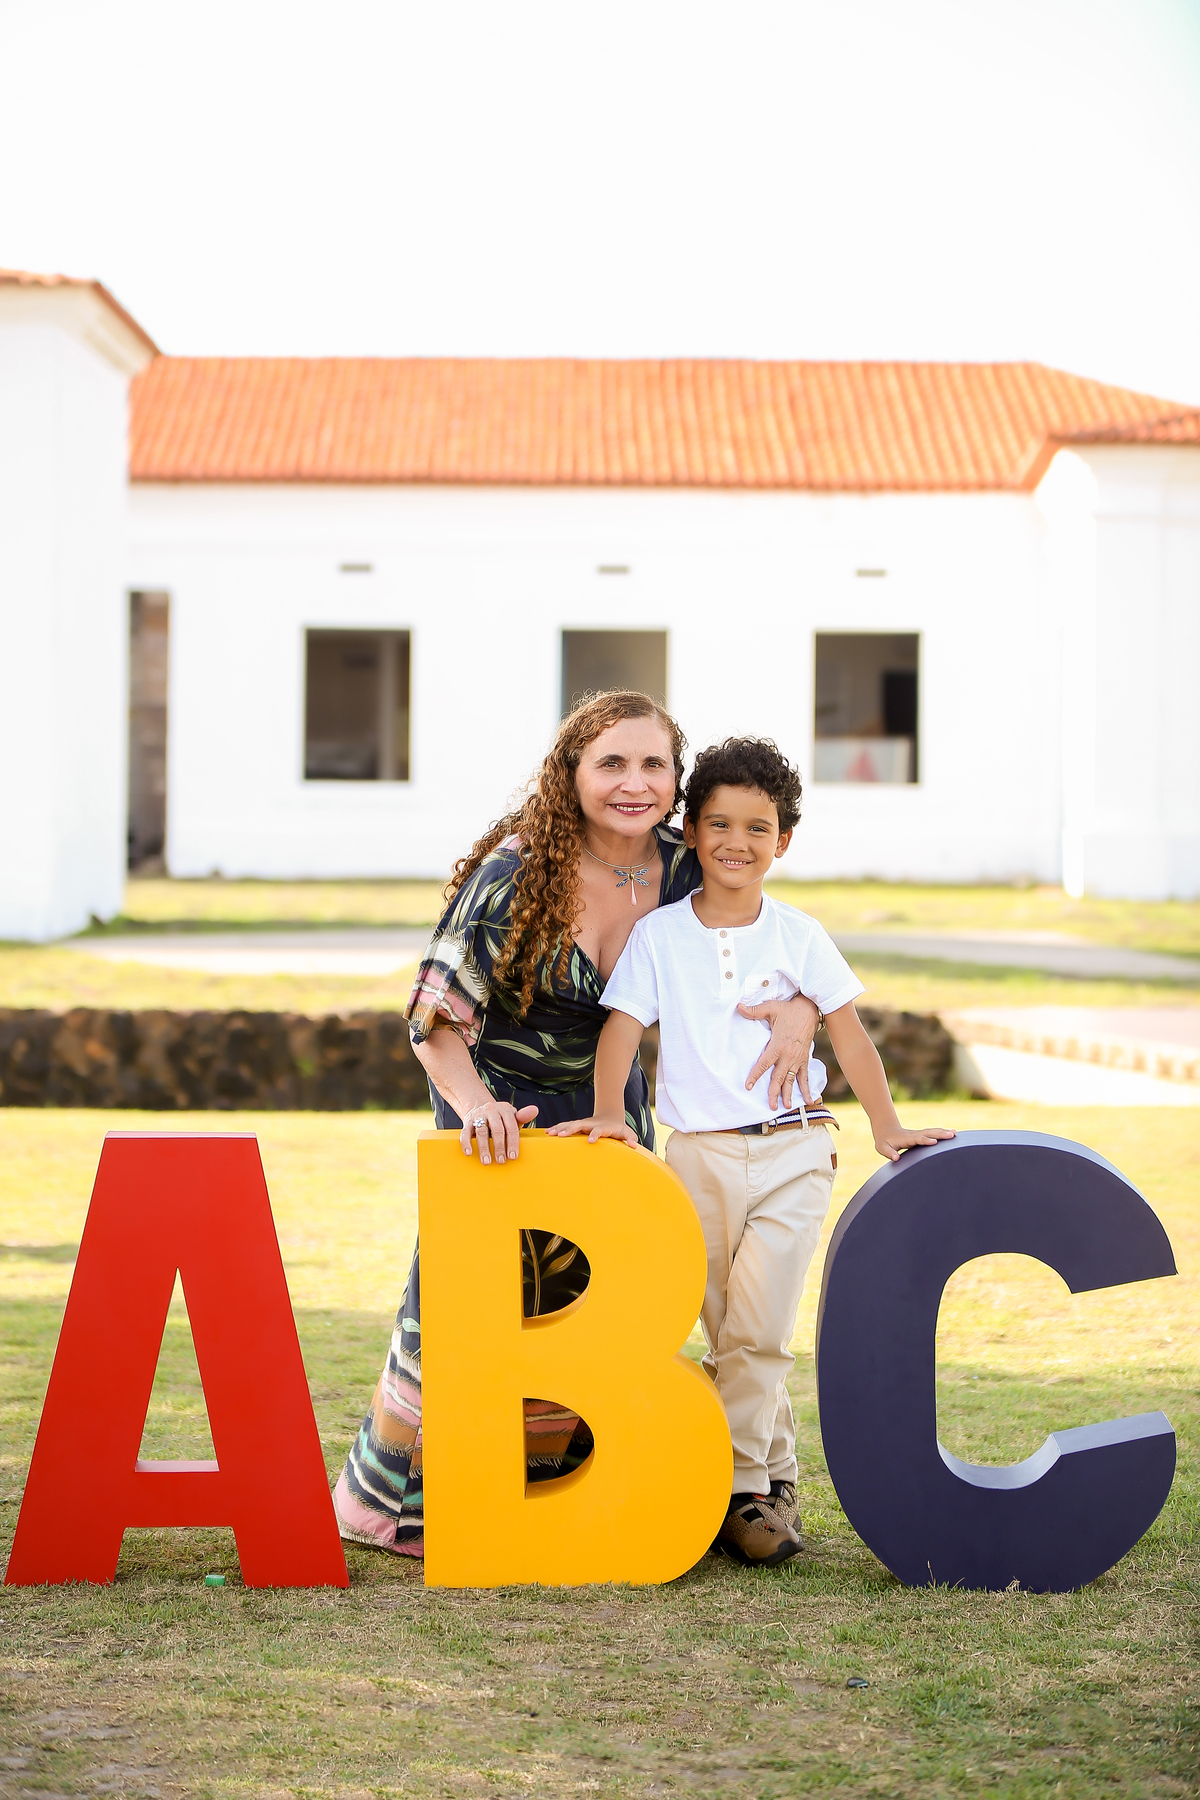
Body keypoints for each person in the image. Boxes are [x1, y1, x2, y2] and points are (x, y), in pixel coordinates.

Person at [332, 694, 823, 1560]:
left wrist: (802, 1012)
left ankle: (573, 1492)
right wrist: (476, 1107)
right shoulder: (518, 872)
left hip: (606, 1116)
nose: (634, 784)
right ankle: (399, 1498)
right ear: (572, 773)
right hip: (497, 1111)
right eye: (611, 764)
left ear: (677, 780)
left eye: (653, 766)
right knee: (473, 1302)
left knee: (597, 1306)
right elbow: (433, 1015)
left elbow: (782, 946)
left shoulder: (686, 864)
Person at [550, 737, 955, 1567]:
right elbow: (622, 1030)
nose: (738, 843)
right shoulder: (660, 937)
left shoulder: (800, 936)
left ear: (784, 842)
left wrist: (886, 1126)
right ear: (691, 834)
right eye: (719, 825)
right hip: (694, 1158)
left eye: (758, 828)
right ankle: (776, 1472)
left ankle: (731, 1493)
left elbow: (851, 1035)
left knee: (761, 1328)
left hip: (793, 1153)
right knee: (726, 1329)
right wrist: (608, 1117)